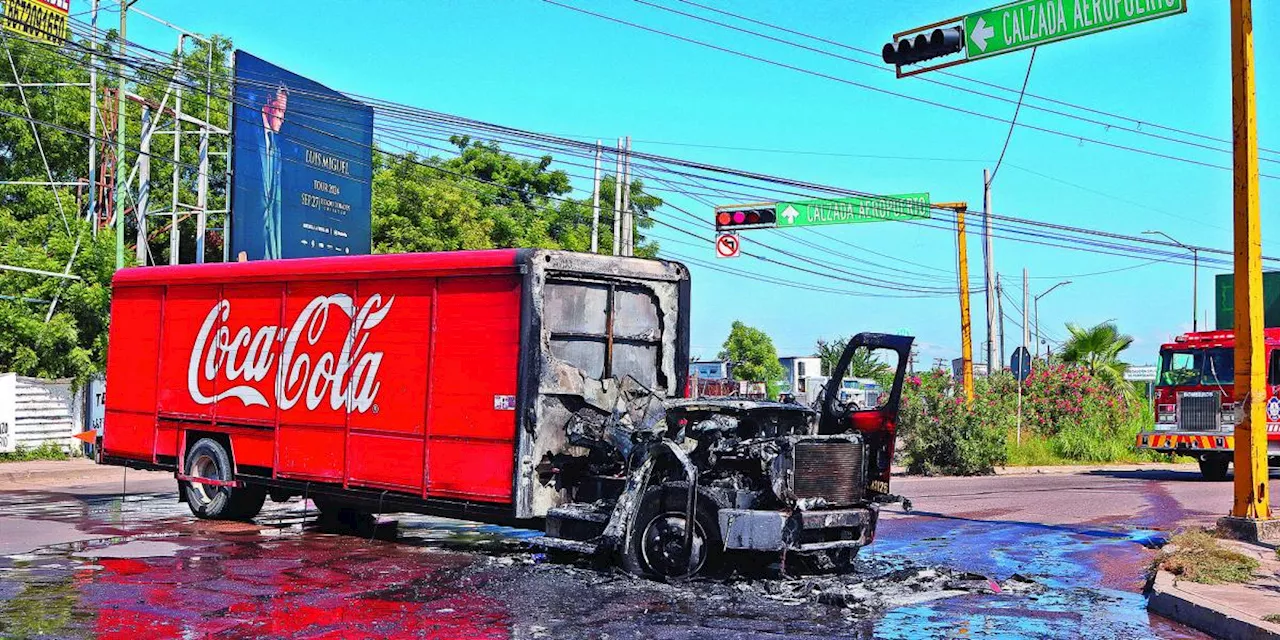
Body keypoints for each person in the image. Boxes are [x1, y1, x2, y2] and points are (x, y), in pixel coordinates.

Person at [260, 85, 287, 259]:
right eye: (280, 110)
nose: (283, 118)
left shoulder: (277, 148)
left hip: (270, 255)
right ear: (268, 106)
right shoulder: (250, 137)